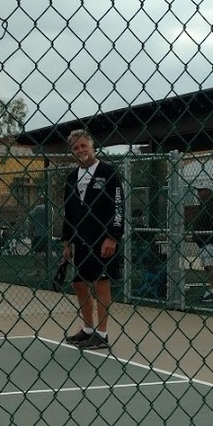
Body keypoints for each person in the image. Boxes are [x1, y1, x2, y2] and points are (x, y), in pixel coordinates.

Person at [61, 129, 124, 350]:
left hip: (102, 239)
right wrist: (67, 241)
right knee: (79, 283)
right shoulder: (71, 178)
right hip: (80, 239)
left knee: (101, 283)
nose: (81, 150)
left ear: (92, 146)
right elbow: (68, 212)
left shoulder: (108, 172)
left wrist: (112, 237)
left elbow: (117, 206)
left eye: (83, 146)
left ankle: (102, 334)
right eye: (76, 148)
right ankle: (88, 329)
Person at [192, 185, 213, 302]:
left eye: (201, 191)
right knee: (207, 265)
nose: (199, 193)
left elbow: (210, 221)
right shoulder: (204, 204)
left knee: (211, 264)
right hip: (205, 240)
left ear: (208, 191)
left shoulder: (212, 203)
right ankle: (212, 288)